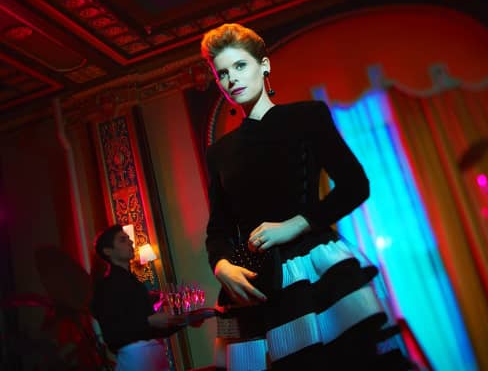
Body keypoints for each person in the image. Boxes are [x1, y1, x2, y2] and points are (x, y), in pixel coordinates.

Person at [201, 23, 414, 370]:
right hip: (250, 280)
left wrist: (297, 224)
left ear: (264, 65)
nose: (231, 79)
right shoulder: (219, 153)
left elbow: (356, 184)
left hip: (314, 264)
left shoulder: (307, 116)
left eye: (239, 66)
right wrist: (221, 265)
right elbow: (218, 229)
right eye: (221, 74)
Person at [90, 225, 186, 371]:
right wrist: (149, 321)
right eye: (123, 240)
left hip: (153, 357)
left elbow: (150, 331)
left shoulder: (136, 283)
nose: (131, 242)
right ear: (108, 251)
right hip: (135, 359)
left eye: (129, 239)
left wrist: (184, 321)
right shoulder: (105, 286)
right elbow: (113, 333)